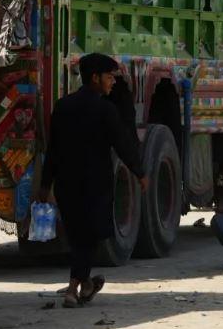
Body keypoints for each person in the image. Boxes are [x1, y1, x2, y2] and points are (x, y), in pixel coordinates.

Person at [38, 53, 145, 308]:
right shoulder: (105, 110)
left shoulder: (62, 106)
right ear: (95, 78)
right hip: (95, 186)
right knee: (88, 237)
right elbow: (123, 145)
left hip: (66, 185)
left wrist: (45, 184)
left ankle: (85, 284)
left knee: (79, 236)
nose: (113, 82)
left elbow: (52, 150)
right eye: (109, 77)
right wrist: (140, 172)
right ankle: (73, 289)